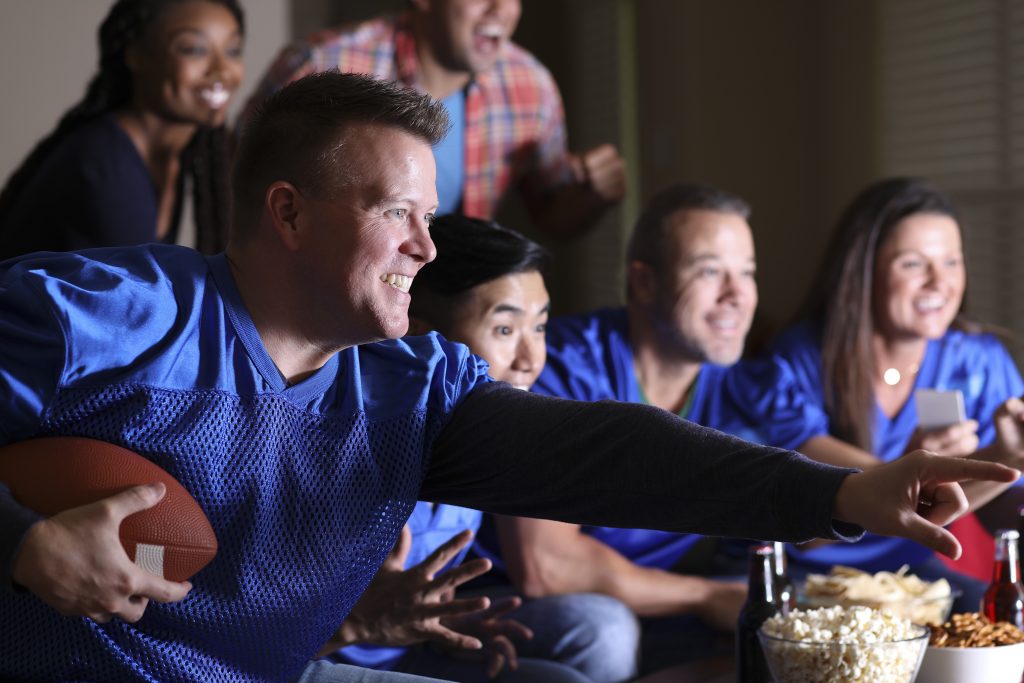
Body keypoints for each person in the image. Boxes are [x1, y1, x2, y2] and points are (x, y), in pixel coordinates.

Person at [0, 73, 1017, 683]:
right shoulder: (112, 311)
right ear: (289, 213)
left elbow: (606, 451)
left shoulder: (412, 384)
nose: (425, 247)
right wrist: (23, 542)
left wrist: (836, 494)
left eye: (427, 216)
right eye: (396, 212)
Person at [470, 183, 850, 674]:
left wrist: (932, 475)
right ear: (644, 282)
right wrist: (704, 596)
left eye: (747, 273)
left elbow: (836, 475)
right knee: (605, 629)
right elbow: (548, 568)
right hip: (506, 597)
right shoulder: (560, 367)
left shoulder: (739, 378)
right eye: (710, 271)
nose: (738, 296)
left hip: (650, 596)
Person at [321, 215, 637, 682]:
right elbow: (246, 634)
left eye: (540, 328)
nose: (531, 361)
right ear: (418, 336)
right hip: (330, 655)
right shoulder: (342, 446)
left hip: (414, 643)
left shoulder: (481, 434)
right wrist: (363, 622)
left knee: (600, 629)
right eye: (506, 331)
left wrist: (446, 622)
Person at [769, 177, 1024, 605]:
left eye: (951, 262)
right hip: (808, 575)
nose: (939, 283)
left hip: (910, 576)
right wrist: (984, 460)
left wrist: (1012, 460)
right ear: (863, 270)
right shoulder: (796, 360)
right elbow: (823, 515)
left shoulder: (979, 360)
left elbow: (1005, 508)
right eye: (912, 264)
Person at [242, 0, 625, 239]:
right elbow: (239, 186)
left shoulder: (531, 85)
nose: (501, 8)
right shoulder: (322, 63)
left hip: (448, 319)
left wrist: (591, 195)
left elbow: (552, 215)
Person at [0, 0, 244, 258]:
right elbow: (135, 296)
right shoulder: (106, 167)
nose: (222, 70)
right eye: (193, 49)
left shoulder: (174, 154)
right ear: (135, 54)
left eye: (233, 50)